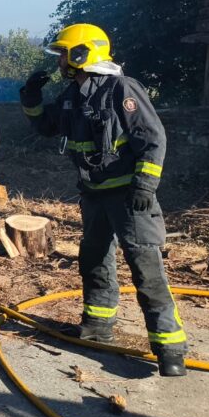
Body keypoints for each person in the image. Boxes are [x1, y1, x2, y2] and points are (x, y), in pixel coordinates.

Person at [19, 24, 186, 376]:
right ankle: (97, 327)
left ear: (82, 54)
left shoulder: (122, 89)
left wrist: (145, 185)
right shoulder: (73, 95)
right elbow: (46, 126)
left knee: (146, 270)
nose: (60, 61)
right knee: (94, 260)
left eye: (65, 54)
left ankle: (169, 348)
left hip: (129, 197)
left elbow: (153, 138)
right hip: (94, 195)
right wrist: (31, 98)